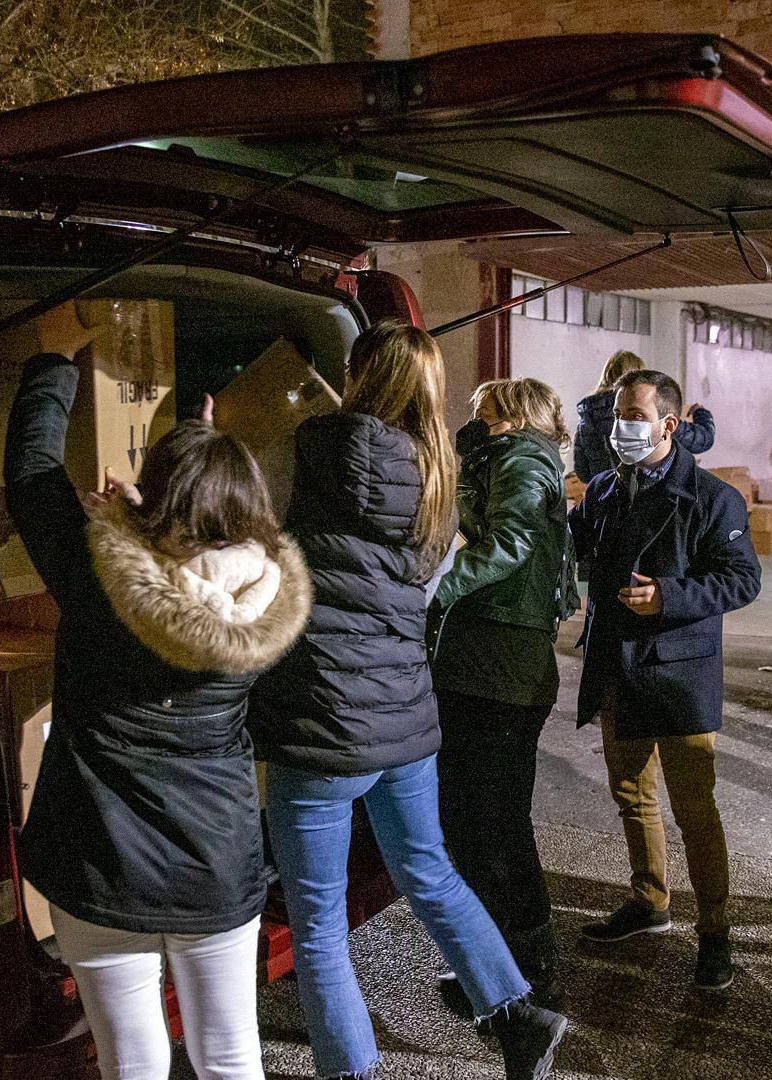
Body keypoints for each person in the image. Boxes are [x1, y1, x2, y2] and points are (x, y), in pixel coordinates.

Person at [249, 320, 568, 1080]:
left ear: (361, 374)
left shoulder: (321, 442)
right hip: (405, 716)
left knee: (318, 923)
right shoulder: (440, 474)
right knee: (430, 871)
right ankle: (520, 1015)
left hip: (324, 723)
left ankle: (351, 1070)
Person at [4, 317, 313, 1080]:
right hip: (216, 861)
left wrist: (52, 360)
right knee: (231, 1052)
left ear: (154, 500)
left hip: (103, 864)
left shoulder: (95, 574)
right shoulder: (267, 599)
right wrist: (197, 458)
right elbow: (203, 548)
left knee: (132, 1058)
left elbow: (30, 474)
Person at [569, 368, 761, 991]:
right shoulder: (602, 490)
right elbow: (574, 547)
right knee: (631, 793)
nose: (619, 427)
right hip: (616, 666)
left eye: (631, 415)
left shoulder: (713, 499)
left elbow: (743, 579)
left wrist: (671, 596)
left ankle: (715, 931)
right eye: (617, 414)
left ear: (668, 425)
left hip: (678, 671)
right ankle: (650, 901)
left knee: (694, 808)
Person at [431, 377, 576, 1009]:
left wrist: (433, 585)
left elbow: (508, 544)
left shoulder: (520, 459)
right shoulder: (510, 457)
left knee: (488, 824)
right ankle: (505, 969)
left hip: (498, 667)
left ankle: (523, 973)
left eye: (482, 406)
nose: (473, 412)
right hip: (495, 664)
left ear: (511, 414)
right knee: (487, 821)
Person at [574, 350, 715, 485]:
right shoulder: (653, 418)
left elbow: (583, 472)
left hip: (605, 497)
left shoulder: (587, 417)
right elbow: (702, 440)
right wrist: (700, 412)